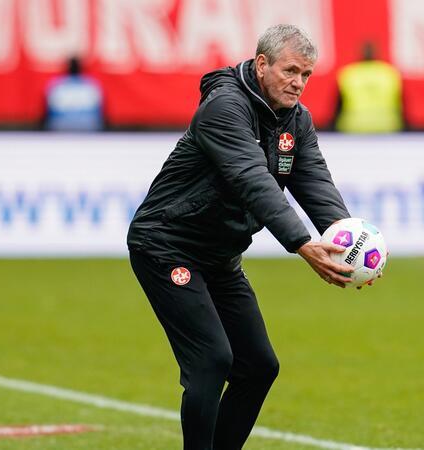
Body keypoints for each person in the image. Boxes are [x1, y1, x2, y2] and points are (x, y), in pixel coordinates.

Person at [127, 24, 356, 450]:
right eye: (291, 71)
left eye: (306, 75)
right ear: (262, 63)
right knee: (212, 361)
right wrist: (303, 244)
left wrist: (351, 244)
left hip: (219, 257)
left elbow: (317, 185)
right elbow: (252, 180)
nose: (298, 83)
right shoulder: (224, 107)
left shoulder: (296, 120)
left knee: (258, 366)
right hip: (165, 245)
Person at [333, 41, 405, 133]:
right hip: (387, 125)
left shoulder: (349, 74)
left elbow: (338, 106)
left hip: (354, 126)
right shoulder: (389, 73)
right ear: (376, 53)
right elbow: (401, 103)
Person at [44, 56, 104, 131]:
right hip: (87, 127)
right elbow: (99, 113)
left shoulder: (57, 85)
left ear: (67, 68)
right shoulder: (92, 85)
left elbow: (47, 113)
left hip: (61, 126)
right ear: (81, 68)